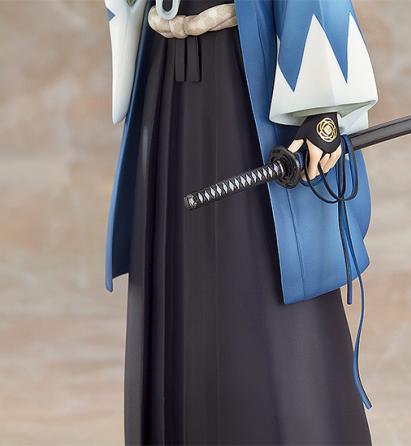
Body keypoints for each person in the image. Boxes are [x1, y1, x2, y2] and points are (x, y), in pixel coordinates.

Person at [104, 0, 378, 443]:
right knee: (171, 267)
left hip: (243, 83)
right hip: (165, 81)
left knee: (258, 269)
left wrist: (322, 107)